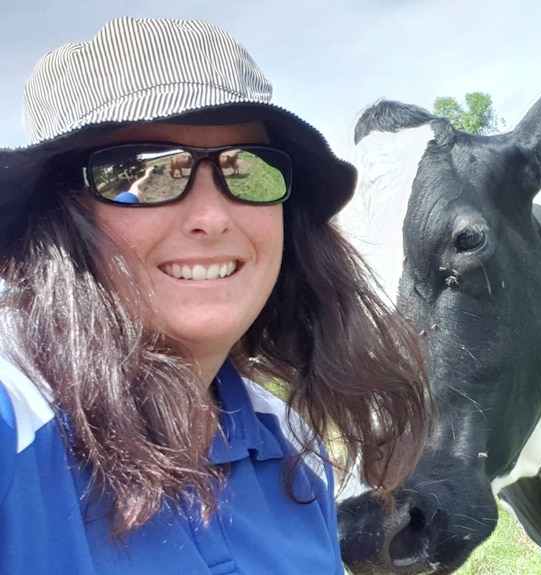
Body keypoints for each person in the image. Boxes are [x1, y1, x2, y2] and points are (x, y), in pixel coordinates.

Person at [0, 18, 428, 574]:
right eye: (143, 172)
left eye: (248, 170)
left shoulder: (295, 450)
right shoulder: (16, 427)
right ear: (56, 213)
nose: (212, 217)